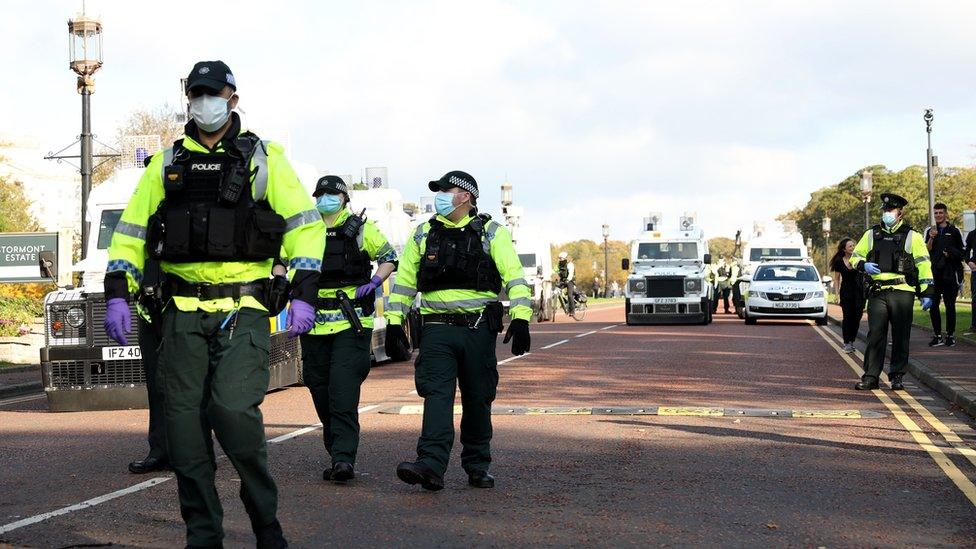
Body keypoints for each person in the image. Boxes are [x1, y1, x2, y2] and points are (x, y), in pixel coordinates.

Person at [104, 60, 326, 548]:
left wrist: (305, 292)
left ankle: (265, 522)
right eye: (196, 92)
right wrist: (117, 293)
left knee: (231, 411)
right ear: (189, 99)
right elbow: (130, 236)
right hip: (180, 314)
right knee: (182, 429)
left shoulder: (264, 160)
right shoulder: (165, 165)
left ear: (233, 98)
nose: (204, 101)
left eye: (214, 92)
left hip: (242, 310)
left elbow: (305, 225)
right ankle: (203, 534)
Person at [384, 170, 532, 491]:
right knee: (436, 396)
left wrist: (521, 318)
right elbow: (405, 282)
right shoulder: (423, 233)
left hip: (477, 330)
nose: (439, 197)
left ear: (465, 195)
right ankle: (430, 465)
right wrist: (394, 323)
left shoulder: (492, 233)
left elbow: (515, 278)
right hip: (436, 331)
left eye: (445, 191)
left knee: (478, 398)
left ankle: (478, 465)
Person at [302, 175, 397, 484]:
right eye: (321, 194)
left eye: (331, 194)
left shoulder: (361, 230)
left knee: (342, 392)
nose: (325, 198)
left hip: (350, 322)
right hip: (313, 324)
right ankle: (336, 451)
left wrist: (374, 282)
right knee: (319, 389)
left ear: (343, 198)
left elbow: (389, 258)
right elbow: (283, 261)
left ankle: (343, 458)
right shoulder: (304, 229)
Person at [850, 193, 934, 391]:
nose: (887, 213)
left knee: (901, 335)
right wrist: (863, 264)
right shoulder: (871, 234)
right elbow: (854, 257)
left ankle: (897, 376)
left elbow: (923, 263)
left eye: (891, 210)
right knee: (875, 335)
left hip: (903, 291)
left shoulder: (912, 236)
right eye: (885, 210)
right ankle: (871, 376)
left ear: (900, 212)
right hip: (878, 291)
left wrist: (928, 291)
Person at [127, 257, 168, 474]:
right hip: (151, 312)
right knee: (157, 385)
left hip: (188, 310)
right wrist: (116, 297)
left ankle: (195, 451)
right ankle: (159, 451)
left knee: (191, 384)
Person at [924, 203, 964, 347]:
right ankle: (937, 335)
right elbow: (925, 251)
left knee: (949, 305)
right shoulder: (929, 231)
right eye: (936, 213)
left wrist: (951, 254)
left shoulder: (954, 230)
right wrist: (932, 238)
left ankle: (950, 335)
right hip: (934, 274)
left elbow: (963, 252)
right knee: (933, 305)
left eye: (941, 212)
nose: (938, 215)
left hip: (950, 274)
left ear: (946, 214)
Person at [830, 238, 865, 354]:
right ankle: (847, 343)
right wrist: (836, 294)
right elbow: (837, 279)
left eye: (854, 245)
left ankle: (852, 340)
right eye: (850, 246)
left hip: (859, 292)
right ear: (844, 249)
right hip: (846, 293)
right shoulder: (839, 261)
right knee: (847, 318)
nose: (853, 247)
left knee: (857, 317)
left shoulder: (859, 260)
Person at [965, 225, 976, 336]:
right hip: (975, 270)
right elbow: (966, 250)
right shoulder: (972, 234)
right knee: (975, 298)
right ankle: (974, 326)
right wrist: (969, 261)